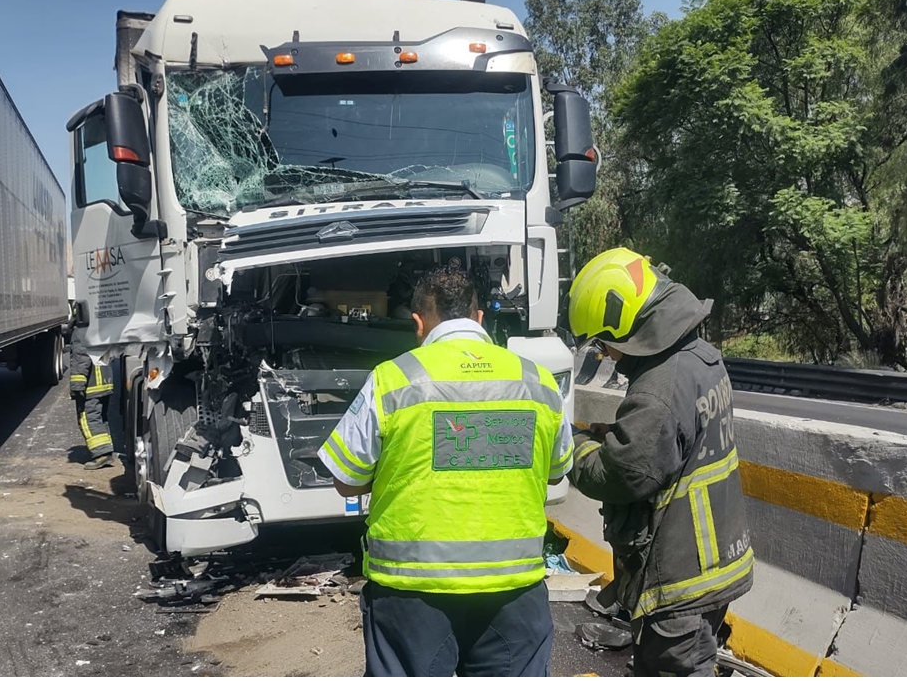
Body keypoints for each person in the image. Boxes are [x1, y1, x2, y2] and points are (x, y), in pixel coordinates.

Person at [317, 267, 574, 677]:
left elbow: (346, 478)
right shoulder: (537, 382)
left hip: (411, 595)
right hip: (514, 593)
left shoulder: (392, 380)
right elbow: (557, 472)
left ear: (418, 323)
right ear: (479, 319)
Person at [565, 248, 752, 677]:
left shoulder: (658, 388)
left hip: (681, 580)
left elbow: (622, 473)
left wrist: (572, 445)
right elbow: (671, 443)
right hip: (714, 565)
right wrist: (608, 434)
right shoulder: (701, 357)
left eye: (603, 342)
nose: (607, 355)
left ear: (623, 324)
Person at [68, 329, 115, 470]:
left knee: (87, 418)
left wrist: (77, 384)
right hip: (105, 382)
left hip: (92, 384)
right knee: (100, 418)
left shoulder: (81, 331)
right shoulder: (99, 326)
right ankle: (105, 449)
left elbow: (81, 357)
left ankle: (101, 455)